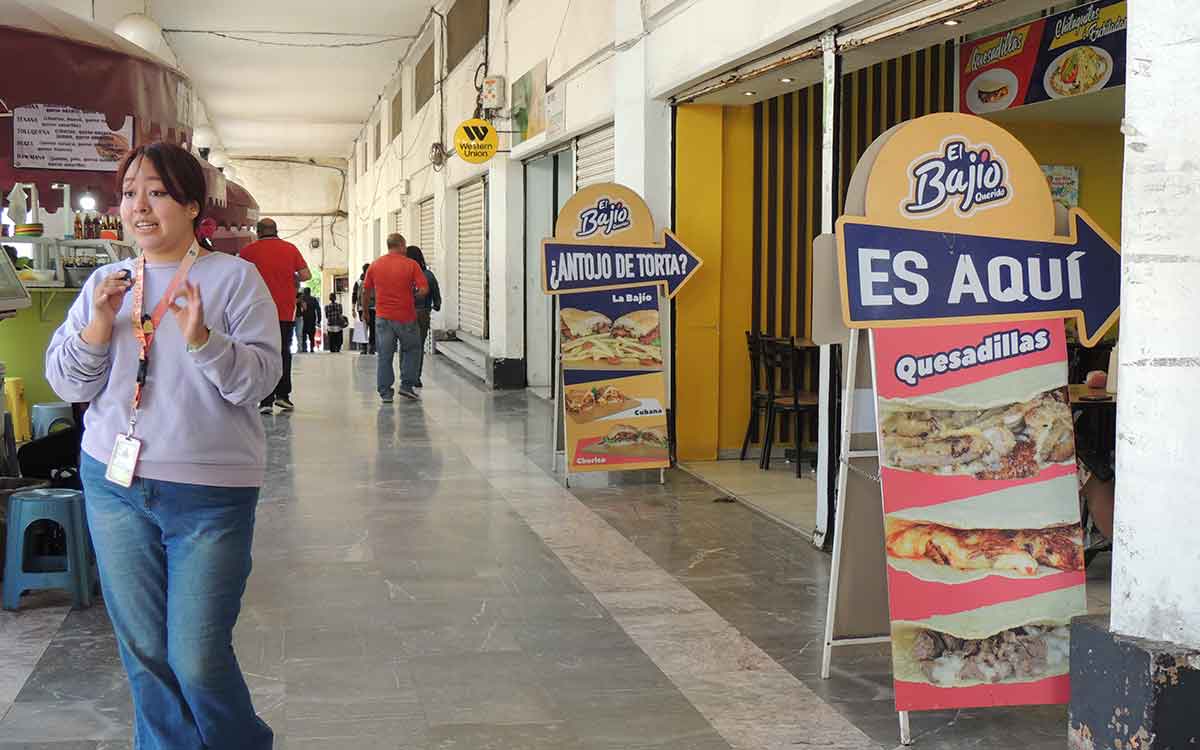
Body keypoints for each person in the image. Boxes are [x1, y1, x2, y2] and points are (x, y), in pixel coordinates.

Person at [44, 141, 279, 749]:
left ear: (191, 205)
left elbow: (257, 382)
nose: (138, 207)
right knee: (145, 653)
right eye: (129, 194)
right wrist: (98, 326)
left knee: (196, 656)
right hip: (114, 485)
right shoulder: (107, 281)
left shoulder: (234, 279)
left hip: (210, 495)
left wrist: (202, 337)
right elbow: (68, 381)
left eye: (157, 193)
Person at [239, 217, 310, 412]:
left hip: (257, 311)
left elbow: (237, 275)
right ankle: (283, 396)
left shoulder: (248, 251)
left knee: (260, 353)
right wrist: (290, 275)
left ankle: (265, 401)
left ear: (259, 232)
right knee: (283, 352)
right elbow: (306, 275)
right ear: (276, 231)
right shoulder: (290, 249)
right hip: (284, 311)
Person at [361, 233, 428, 402]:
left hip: (383, 318)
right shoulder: (411, 264)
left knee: (384, 354)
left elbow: (365, 290)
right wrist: (412, 296)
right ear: (401, 245)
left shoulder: (375, 265)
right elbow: (423, 290)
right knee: (412, 349)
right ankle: (406, 386)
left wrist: (365, 312)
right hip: (406, 317)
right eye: (404, 246)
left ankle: (385, 393)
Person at [406, 245, 441, 388]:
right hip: (423, 314)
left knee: (406, 346)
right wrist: (436, 305)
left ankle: (406, 376)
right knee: (418, 346)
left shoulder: (405, 275)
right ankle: (416, 377)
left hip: (405, 314)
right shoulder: (428, 275)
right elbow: (436, 295)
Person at [351, 262, 375, 354]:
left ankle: (364, 348)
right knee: (372, 328)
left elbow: (354, 296)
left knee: (363, 328)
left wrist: (353, 309)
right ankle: (372, 348)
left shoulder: (358, 282)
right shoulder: (374, 280)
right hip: (373, 308)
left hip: (361, 308)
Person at [299, 287, 320, 352]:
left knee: (304, 334)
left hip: (303, 319)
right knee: (311, 335)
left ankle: (304, 348)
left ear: (304, 292)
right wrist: (319, 319)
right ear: (310, 292)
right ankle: (311, 348)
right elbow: (318, 310)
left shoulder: (301, 299)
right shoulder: (314, 299)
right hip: (312, 319)